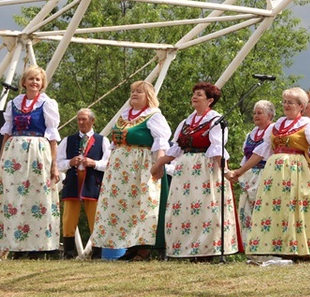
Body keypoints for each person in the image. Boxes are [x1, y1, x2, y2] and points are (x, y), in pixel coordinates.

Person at [228, 87, 310, 258]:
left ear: (301, 105)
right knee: (275, 207)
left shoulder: (308, 125)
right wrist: (240, 171)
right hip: (274, 173)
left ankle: (297, 247)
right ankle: (273, 246)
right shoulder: (276, 125)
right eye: (284, 101)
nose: (286, 105)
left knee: (294, 207)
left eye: (290, 102)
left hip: (296, 171)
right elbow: (261, 151)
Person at [91, 81, 171, 261]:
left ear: (148, 96)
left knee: (143, 204)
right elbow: (114, 144)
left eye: (139, 92)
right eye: (133, 91)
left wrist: (158, 164)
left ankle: (143, 248)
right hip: (120, 168)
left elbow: (161, 142)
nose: (134, 93)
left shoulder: (154, 116)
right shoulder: (124, 116)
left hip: (141, 166)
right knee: (123, 206)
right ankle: (128, 246)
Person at [159, 82, 239, 259]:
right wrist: (158, 164)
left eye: (200, 94)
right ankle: (184, 250)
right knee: (184, 209)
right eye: (194, 93)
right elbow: (175, 148)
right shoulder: (186, 121)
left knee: (205, 208)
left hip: (205, 168)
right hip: (185, 169)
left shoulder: (215, 120)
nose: (194, 96)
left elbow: (218, 148)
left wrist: (225, 170)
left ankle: (206, 251)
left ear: (210, 100)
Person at [0, 66, 61, 259]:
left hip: (38, 151)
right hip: (15, 154)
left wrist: (54, 164)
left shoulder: (47, 103)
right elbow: (7, 133)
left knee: (37, 198)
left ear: (42, 83)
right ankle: (15, 245)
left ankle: (36, 247)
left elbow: (53, 136)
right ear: (24, 82)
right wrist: (1, 160)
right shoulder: (14, 103)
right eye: (31, 79)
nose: (34, 82)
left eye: (38, 79)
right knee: (15, 198)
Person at [56, 108, 111, 259]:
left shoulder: (102, 141)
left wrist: (94, 163)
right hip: (73, 182)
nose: (81, 122)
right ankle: (68, 254)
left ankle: (97, 255)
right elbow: (58, 163)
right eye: (79, 119)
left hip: (93, 184)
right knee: (68, 220)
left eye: (84, 119)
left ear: (92, 121)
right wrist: (70, 162)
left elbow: (110, 164)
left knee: (95, 219)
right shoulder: (68, 140)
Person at [235, 99, 276, 246]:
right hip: (250, 175)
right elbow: (246, 157)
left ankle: (264, 244)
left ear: (270, 115)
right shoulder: (251, 134)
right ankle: (249, 245)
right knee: (247, 210)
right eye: (254, 113)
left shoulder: (273, 130)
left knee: (263, 208)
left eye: (260, 113)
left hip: (266, 173)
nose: (256, 116)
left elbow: (261, 153)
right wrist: (239, 174)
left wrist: (240, 171)